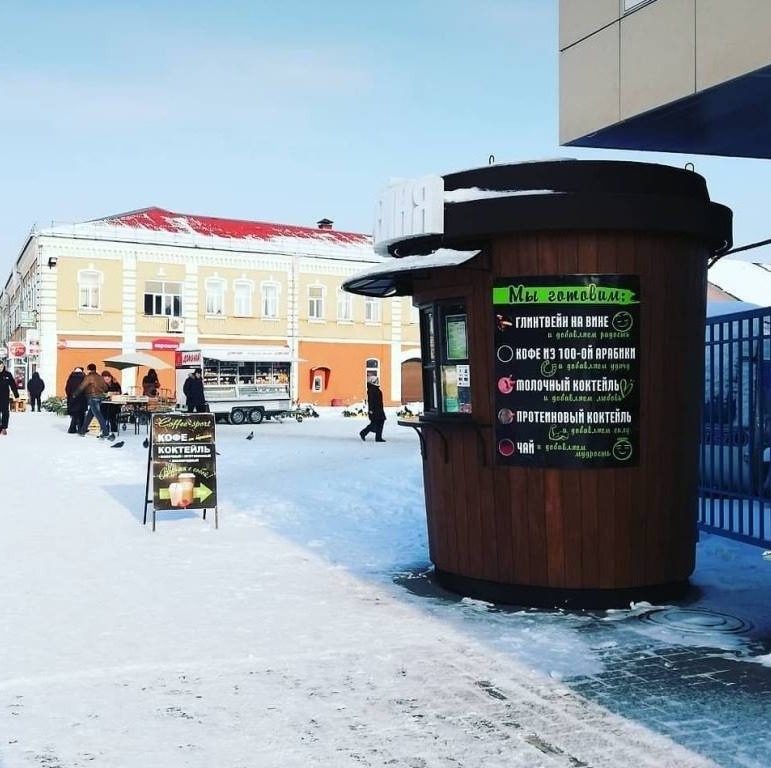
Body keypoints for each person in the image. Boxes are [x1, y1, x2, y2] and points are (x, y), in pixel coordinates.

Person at [77, 363, 114, 440]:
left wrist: (75, 394)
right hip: (99, 398)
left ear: (88, 369)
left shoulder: (89, 377)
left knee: (98, 415)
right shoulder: (100, 377)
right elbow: (105, 388)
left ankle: (106, 433)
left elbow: (82, 386)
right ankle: (82, 431)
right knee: (90, 415)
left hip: (92, 398)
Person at [359, 375, 386, 442]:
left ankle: (378, 437)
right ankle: (363, 433)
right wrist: (371, 410)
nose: (377, 382)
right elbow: (370, 401)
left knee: (380, 422)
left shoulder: (374, 388)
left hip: (379, 408)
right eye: (376, 380)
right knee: (375, 423)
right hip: (375, 409)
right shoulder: (372, 389)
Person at [0, 360, 20, 436]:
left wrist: (16, 395)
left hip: (4, 397)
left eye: (1, 367)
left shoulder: (8, 374)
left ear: (3, 366)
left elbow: (13, 385)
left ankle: (4, 428)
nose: (0, 368)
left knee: (5, 412)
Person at [100, 370, 123, 435]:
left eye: (108, 377)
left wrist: (116, 393)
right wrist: (105, 394)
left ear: (110, 377)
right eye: (105, 377)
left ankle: (113, 427)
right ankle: (104, 428)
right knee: (103, 412)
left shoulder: (115, 383)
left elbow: (120, 392)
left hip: (114, 403)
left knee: (113, 413)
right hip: (104, 403)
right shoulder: (101, 384)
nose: (107, 378)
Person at [65, 366, 87, 434]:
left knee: (75, 414)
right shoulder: (84, 378)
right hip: (82, 398)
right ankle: (80, 428)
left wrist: (70, 396)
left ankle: (72, 428)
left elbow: (67, 389)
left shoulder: (71, 378)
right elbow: (86, 388)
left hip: (73, 398)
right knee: (81, 414)